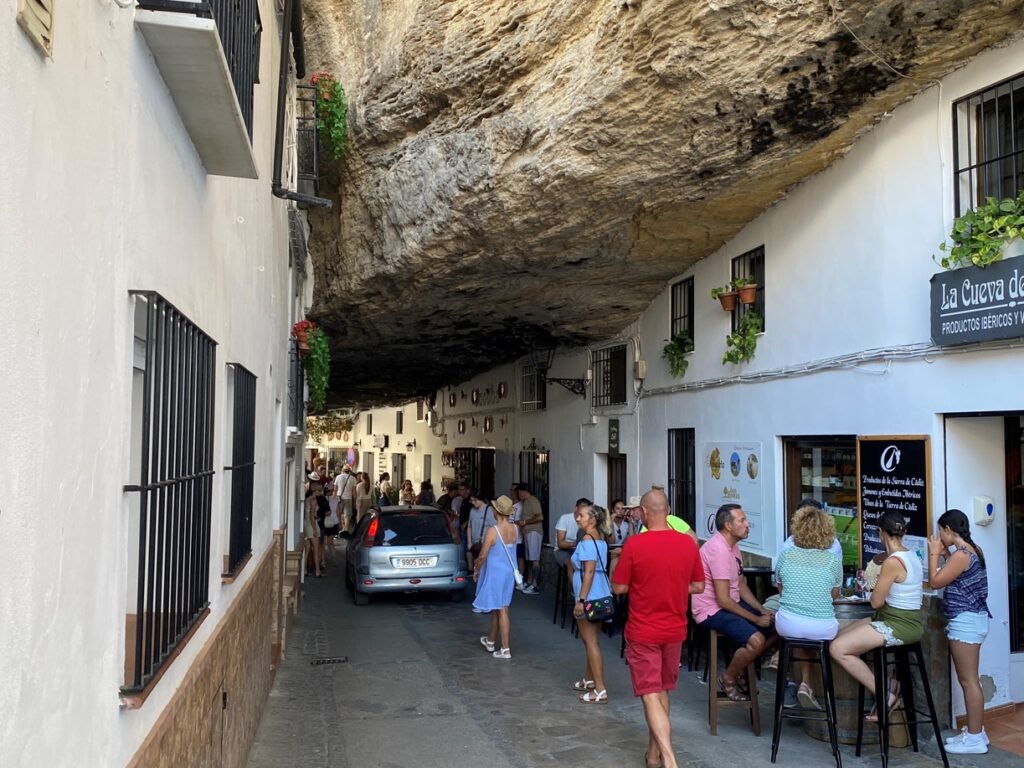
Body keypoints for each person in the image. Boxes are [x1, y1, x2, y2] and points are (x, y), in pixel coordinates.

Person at [612, 490, 704, 768]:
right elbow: (698, 586)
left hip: (643, 630)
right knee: (662, 690)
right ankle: (652, 756)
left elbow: (619, 587)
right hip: (675, 628)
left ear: (643, 511)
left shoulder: (634, 545)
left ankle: (669, 759)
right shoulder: (688, 545)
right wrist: (673, 587)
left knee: (650, 693)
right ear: (668, 510)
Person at [830, 510, 923, 723]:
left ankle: (885, 695)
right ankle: (890, 683)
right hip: (900, 619)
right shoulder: (912, 556)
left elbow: (875, 602)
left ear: (881, 533)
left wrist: (874, 585)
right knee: (839, 636)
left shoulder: (892, 562)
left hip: (897, 623)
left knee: (838, 649)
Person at [691, 503, 776, 701]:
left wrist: (762, 610)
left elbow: (740, 585)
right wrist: (756, 620)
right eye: (742, 520)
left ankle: (743, 668)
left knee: (778, 627)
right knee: (756, 641)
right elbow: (723, 600)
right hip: (711, 610)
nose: (747, 525)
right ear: (728, 526)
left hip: (729, 604)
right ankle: (728, 677)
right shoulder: (718, 550)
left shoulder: (733, 547)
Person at [928, 509, 991, 754]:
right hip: (972, 619)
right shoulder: (972, 550)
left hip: (966, 622)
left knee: (968, 681)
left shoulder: (962, 555)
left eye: (940, 531)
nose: (938, 536)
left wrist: (934, 555)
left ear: (947, 530)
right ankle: (978, 732)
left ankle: (975, 738)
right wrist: (945, 556)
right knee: (970, 680)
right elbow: (954, 576)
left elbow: (935, 582)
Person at [774, 505, 844, 710]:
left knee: (800, 632)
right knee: (817, 632)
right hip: (821, 627)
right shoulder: (833, 560)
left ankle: (792, 672)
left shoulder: (786, 556)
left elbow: (782, 590)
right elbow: (834, 595)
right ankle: (807, 684)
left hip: (788, 625)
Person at [571, 503, 613, 704]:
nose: (577, 518)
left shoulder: (587, 540)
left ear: (592, 520)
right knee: (591, 640)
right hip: (600, 594)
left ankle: (600, 689)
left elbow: (588, 571)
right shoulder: (600, 540)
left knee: (591, 642)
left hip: (589, 596)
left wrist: (580, 599)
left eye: (581, 515)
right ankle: (589, 679)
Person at [473, 495, 518, 659]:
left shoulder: (493, 531)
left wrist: (476, 569)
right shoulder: (515, 529)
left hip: (495, 573)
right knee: (498, 606)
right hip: (509, 573)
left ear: (496, 511)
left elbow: (483, 555)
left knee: (502, 609)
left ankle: (505, 649)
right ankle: (490, 640)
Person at [515, 482, 544, 594]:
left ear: (523, 492)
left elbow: (540, 516)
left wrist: (525, 522)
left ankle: (535, 585)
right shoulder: (526, 502)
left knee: (534, 559)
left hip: (534, 532)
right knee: (530, 559)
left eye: (519, 493)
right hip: (527, 533)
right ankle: (530, 581)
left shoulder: (533, 501)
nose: (518, 495)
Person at [553, 498, 586, 572]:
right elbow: (560, 544)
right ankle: (574, 584)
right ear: (576, 508)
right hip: (562, 551)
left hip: (579, 550)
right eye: (582, 507)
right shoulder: (565, 518)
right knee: (571, 564)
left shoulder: (586, 521)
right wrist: (576, 543)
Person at [303, 483, 324, 578]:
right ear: (316, 491)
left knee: (307, 550)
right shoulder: (314, 500)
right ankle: (317, 571)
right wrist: (315, 529)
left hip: (306, 524)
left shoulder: (307, 499)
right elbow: (312, 516)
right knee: (316, 549)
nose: (321, 492)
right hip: (312, 524)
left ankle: (304, 570)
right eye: (320, 490)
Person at [333, 465, 357, 531]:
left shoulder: (338, 477)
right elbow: (354, 492)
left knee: (339, 515)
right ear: (349, 471)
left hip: (339, 497)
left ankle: (339, 530)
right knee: (347, 516)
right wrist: (354, 502)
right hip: (348, 498)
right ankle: (345, 530)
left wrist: (333, 499)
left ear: (342, 470)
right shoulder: (353, 478)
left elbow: (335, 489)